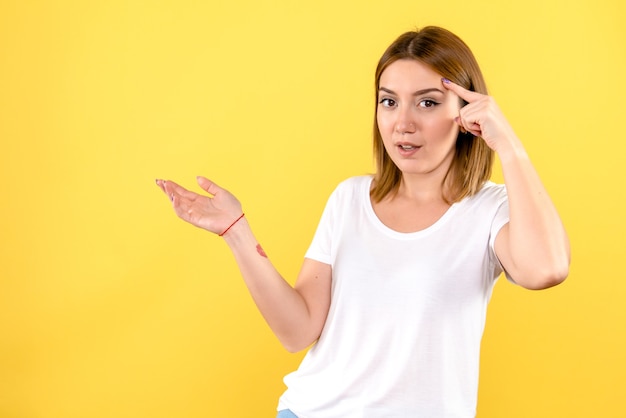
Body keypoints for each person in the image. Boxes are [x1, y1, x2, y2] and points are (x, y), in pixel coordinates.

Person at [156, 26, 570, 418]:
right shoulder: (349, 199)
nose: (402, 123)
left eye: (427, 102)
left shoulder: (488, 209)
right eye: (389, 101)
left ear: (467, 111)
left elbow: (546, 269)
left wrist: (509, 145)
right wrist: (237, 233)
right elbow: (297, 332)